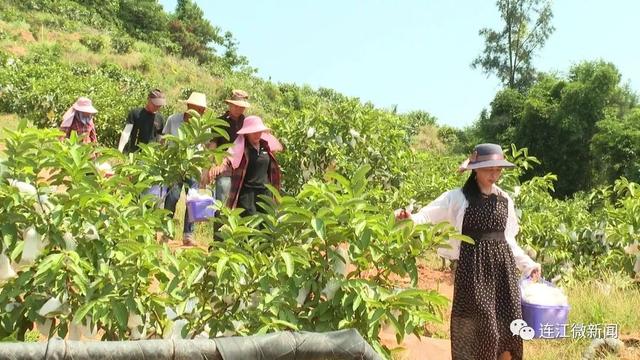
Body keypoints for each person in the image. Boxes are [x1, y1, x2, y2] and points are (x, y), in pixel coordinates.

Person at [395, 143, 541, 360]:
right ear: (476, 170)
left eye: (498, 169)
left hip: (503, 272)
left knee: (508, 330)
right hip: (474, 273)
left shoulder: (504, 200)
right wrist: (409, 219)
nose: (494, 174)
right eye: (489, 169)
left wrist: (528, 264)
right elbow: (426, 216)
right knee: (485, 329)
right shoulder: (457, 198)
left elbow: (508, 239)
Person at [162, 92, 208, 246]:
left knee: (192, 201)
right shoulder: (173, 120)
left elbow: (206, 149)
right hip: (175, 165)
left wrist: (205, 171)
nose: (196, 112)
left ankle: (188, 235)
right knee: (172, 197)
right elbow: (164, 141)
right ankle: (165, 232)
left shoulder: (203, 127)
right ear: (188, 107)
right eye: (193, 108)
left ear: (202, 111)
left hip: (193, 167)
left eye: (199, 110)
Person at [223, 116, 283, 216]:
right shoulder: (241, 149)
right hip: (247, 194)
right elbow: (228, 159)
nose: (257, 135)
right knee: (250, 226)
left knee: (266, 225)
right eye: (254, 132)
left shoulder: (266, 147)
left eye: (259, 131)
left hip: (265, 193)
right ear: (247, 133)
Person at [121, 89, 166, 153]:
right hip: (134, 153)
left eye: (159, 105)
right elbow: (126, 133)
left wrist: (160, 153)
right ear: (149, 100)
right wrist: (119, 150)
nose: (157, 107)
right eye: (155, 104)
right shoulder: (135, 113)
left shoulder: (160, 118)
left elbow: (160, 139)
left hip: (150, 156)